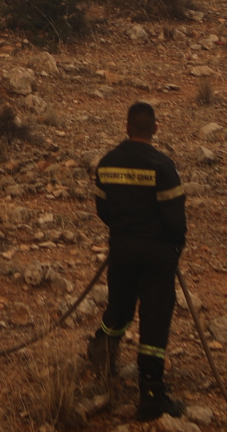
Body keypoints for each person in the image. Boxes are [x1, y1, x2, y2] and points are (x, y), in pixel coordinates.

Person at [87, 100, 188, 421]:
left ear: (127, 127)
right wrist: (174, 249)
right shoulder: (163, 166)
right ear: (155, 129)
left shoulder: (107, 163)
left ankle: (102, 349)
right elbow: (176, 221)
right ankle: (151, 394)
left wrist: (124, 231)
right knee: (155, 322)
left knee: (119, 309)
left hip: (122, 251)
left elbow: (103, 210)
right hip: (157, 257)